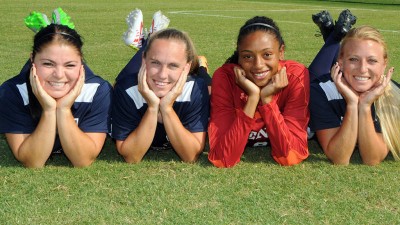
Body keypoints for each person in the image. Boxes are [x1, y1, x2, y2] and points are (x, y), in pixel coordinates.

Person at [0, 9, 112, 168]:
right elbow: (33, 161)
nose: (59, 75)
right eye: (48, 64)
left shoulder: (97, 90)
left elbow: (83, 160)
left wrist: (64, 109)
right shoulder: (13, 92)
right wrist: (49, 110)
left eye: (70, 65)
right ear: (32, 59)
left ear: (81, 63)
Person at [208, 16, 310, 168]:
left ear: (281, 52)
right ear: (239, 56)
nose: (258, 65)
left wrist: (267, 100)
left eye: (267, 54)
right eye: (247, 56)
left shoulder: (296, 76)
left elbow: (290, 156)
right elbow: (223, 159)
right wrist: (253, 98)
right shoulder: (225, 78)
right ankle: (201, 68)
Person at [112, 9, 210, 163]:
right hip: (136, 77)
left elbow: (190, 155)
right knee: (117, 84)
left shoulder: (195, 88)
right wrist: (152, 107)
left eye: (173, 65)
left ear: (186, 67)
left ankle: (154, 39)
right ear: (143, 61)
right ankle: (150, 39)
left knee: (208, 84)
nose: (163, 74)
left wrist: (166, 108)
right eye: (155, 63)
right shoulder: (127, 90)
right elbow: (131, 156)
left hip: (181, 72)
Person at [309, 9, 400, 165]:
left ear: (384, 64)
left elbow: (372, 159)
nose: (363, 68)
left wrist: (364, 106)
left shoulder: (394, 96)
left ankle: (332, 36)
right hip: (329, 78)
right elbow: (339, 157)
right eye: (353, 59)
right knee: (312, 76)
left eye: (372, 61)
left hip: (343, 75)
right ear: (341, 62)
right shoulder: (321, 91)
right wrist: (352, 104)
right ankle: (333, 37)